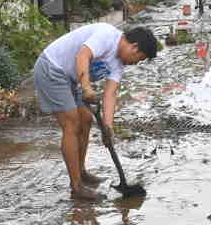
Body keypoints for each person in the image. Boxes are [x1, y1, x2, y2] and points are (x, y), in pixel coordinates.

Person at [32, 24, 159, 201]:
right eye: (137, 59)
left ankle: (81, 172)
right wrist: (86, 87)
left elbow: (110, 93)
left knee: (86, 119)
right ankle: (76, 187)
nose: (134, 63)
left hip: (71, 77)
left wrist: (108, 127)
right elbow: (83, 54)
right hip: (52, 68)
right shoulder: (107, 35)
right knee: (72, 123)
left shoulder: (119, 64)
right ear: (134, 47)